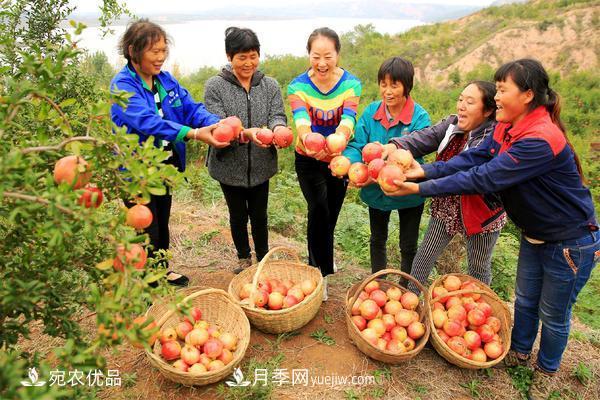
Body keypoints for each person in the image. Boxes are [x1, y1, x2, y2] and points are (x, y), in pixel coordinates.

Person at [383, 59, 598, 399]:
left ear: (527, 95)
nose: (496, 96)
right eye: (496, 89)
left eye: (501, 90)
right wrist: (421, 173)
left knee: (553, 313)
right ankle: (519, 353)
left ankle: (546, 371)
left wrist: (419, 189)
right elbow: (472, 159)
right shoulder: (507, 126)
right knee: (525, 300)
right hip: (535, 234)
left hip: (570, 241)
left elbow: (485, 177)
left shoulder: (539, 140)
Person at [110, 19, 228, 286]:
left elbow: (190, 108)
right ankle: (145, 280)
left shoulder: (165, 81)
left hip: (166, 164)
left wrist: (215, 123)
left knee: (162, 220)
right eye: (154, 51)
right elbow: (147, 122)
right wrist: (195, 133)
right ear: (133, 51)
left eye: (163, 50)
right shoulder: (122, 86)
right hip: (136, 169)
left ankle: (161, 270)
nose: (161, 57)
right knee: (144, 224)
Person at [382, 81, 505, 292]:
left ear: (487, 111)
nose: (461, 106)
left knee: (478, 268)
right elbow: (424, 137)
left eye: (470, 102)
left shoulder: (492, 139)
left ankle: (479, 307)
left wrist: (420, 179)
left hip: (481, 213)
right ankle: (410, 301)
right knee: (424, 257)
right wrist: (395, 145)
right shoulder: (452, 124)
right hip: (446, 206)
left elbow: (461, 171)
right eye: (460, 99)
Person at [204, 27, 287, 273]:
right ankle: (243, 257)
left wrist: (278, 129)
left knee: (260, 215)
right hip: (229, 165)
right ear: (229, 57)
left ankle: (262, 257)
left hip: (261, 163)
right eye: (242, 57)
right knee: (238, 215)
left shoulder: (269, 85)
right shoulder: (215, 86)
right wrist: (247, 134)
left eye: (253, 56)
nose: (248, 63)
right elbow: (216, 123)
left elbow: (277, 115)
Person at [287, 27, 362, 300]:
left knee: (331, 211)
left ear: (337, 55)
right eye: (315, 55)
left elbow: (349, 119)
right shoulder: (297, 87)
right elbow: (301, 121)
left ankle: (317, 256)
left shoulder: (352, 84)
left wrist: (338, 139)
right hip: (307, 159)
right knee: (318, 207)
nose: (321, 63)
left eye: (327, 56)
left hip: (338, 158)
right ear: (309, 55)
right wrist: (310, 140)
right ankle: (321, 272)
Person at [341, 57, 430, 278]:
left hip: (408, 191)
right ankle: (378, 283)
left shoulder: (419, 117)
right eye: (383, 84)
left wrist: (385, 167)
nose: (387, 91)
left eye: (394, 85)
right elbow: (356, 145)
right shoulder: (371, 112)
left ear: (406, 86)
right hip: (375, 190)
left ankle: (407, 287)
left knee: (408, 244)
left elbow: (418, 154)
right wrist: (352, 166)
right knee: (377, 239)